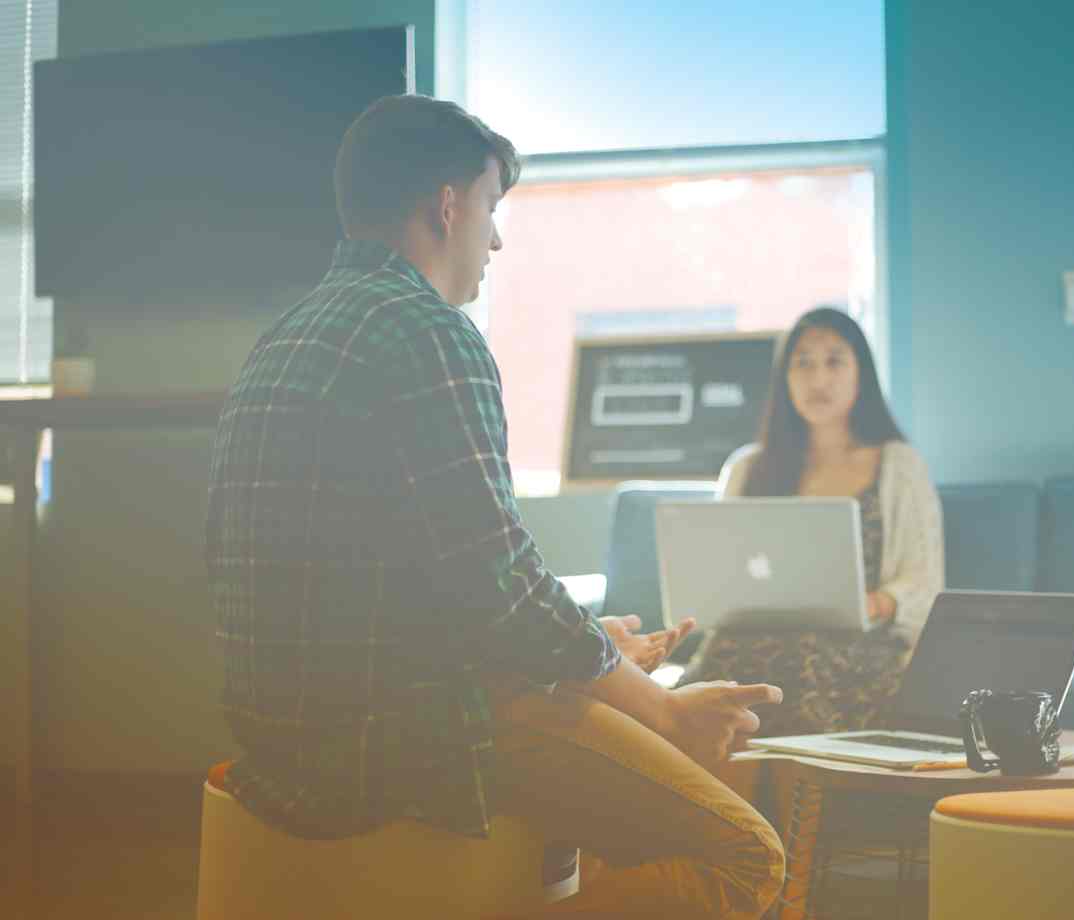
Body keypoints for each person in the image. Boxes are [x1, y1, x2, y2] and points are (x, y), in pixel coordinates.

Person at [205, 94, 783, 919]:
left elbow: (407, 583)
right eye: (491, 206)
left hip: (281, 734)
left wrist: (591, 657)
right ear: (448, 205)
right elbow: (502, 591)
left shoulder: (286, 336)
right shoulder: (428, 331)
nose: (498, 238)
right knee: (746, 858)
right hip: (405, 736)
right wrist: (658, 710)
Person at [682, 307, 945, 737]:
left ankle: (792, 798)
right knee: (716, 675)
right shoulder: (747, 468)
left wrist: (876, 602)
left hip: (860, 644)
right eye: (802, 362)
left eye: (834, 361)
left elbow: (924, 581)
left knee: (802, 663)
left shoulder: (899, 466)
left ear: (862, 373)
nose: (818, 379)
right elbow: (719, 570)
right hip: (748, 638)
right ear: (784, 379)